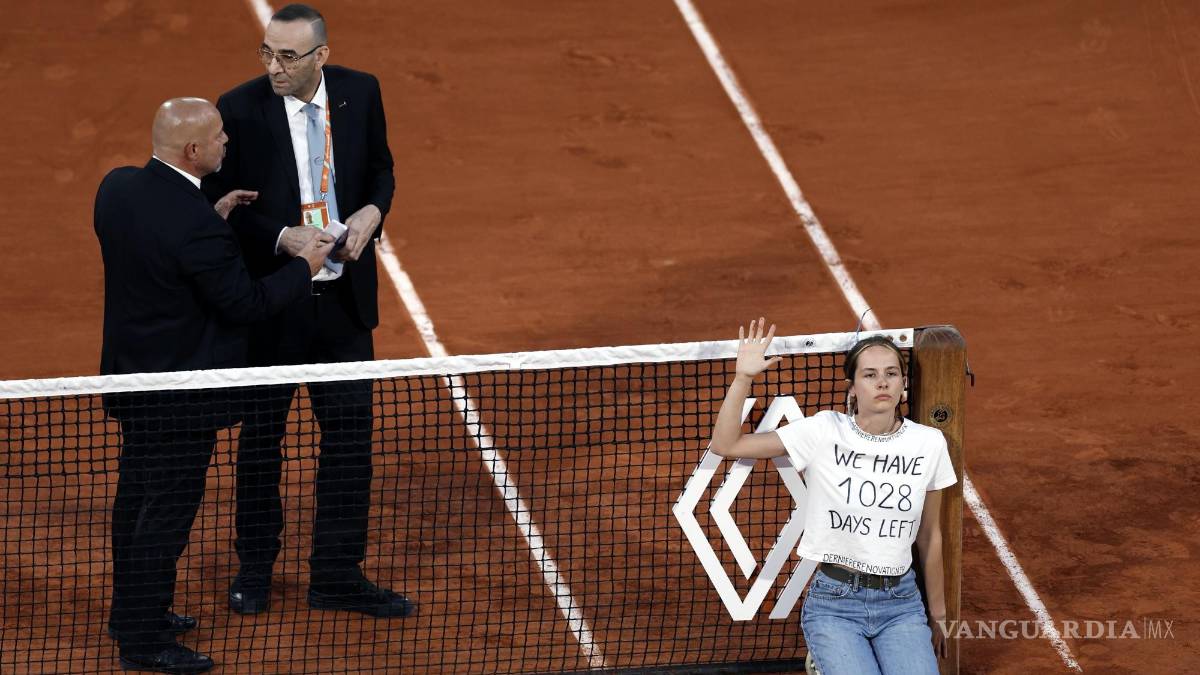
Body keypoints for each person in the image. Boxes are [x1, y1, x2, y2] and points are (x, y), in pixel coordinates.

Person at [96, 98, 333, 673]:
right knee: (166, 515)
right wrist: (306, 266)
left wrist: (210, 213)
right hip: (183, 399)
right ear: (195, 151)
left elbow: (165, 240)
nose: (229, 143)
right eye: (220, 137)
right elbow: (246, 303)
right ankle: (144, 642)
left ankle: (130, 613)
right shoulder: (197, 229)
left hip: (133, 383)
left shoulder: (117, 188)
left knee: (134, 501)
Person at [200, 3, 413, 618]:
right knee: (262, 442)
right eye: (266, 52)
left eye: (288, 56)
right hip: (274, 303)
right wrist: (283, 238)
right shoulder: (238, 107)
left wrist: (374, 211)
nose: (273, 66)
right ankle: (255, 570)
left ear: (321, 55)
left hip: (345, 303)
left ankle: (337, 573)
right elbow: (223, 200)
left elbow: (381, 169)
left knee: (349, 441)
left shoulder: (360, 92)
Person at [710, 319, 956, 675]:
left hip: (901, 603)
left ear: (904, 384)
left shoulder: (929, 444)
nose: (882, 382)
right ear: (853, 387)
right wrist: (743, 377)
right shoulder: (825, 431)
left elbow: (930, 535)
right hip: (835, 604)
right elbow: (726, 444)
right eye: (869, 375)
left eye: (891, 373)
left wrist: (939, 614)